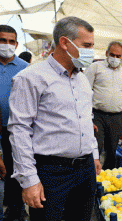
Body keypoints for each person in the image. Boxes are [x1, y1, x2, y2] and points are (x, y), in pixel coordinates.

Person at [7, 16, 101, 221]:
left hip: (85, 171)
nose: (91, 52)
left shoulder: (82, 79)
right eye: (86, 45)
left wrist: (93, 154)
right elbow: (19, 129)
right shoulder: (31, 77)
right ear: (65, 43)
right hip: (51, 173)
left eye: (92, 46)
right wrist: (29, 180)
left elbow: (86, 119)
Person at [84, 41, 122, 170]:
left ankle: (109, 174)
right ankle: (94, 176)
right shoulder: (95, 67)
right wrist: (86, 116)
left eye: (118, 56)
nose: (115, 58)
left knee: (112, 148)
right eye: (112, 55)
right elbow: (84, 91)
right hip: (97, 115)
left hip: (116, 117)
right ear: (106, 54)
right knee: (96, 147)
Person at [0, 24, 29, 221]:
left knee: (15, 169)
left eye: (11, 41)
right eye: (3, 40)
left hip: (16, 129)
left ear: (17, 44)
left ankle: (15, 207)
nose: (7, 45)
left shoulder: (25, 69)